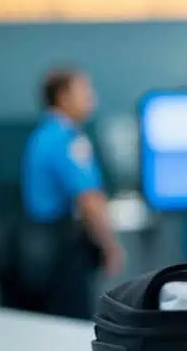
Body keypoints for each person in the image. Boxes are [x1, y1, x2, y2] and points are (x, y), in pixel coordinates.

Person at [15, 68, 125, 319]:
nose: (92, 98)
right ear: (63, 96)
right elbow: (89, 199)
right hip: (61, 252)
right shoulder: (67, 140)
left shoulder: (41, 135)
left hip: (38, 248)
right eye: (85, 91)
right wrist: (109, 245)